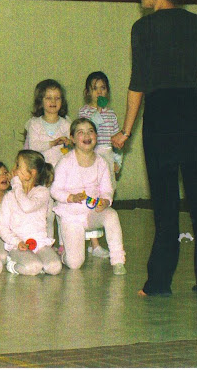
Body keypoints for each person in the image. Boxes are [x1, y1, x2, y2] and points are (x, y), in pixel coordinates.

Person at [112, 0, 197, 296]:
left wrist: (127, 130)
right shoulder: (196, 23)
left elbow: (138, 85)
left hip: (161, 118)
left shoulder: (143, 28)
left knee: (165, 207)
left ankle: (159, 283)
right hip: (192, 114)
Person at [51, 118, 126, 275]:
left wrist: (106, 200)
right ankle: (63, 253)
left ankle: (118, 260)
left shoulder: (101, 162)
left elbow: (107, 189)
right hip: (71, 216)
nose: (86, 135)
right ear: (72, 138)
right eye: (80, 132)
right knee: (75, 264)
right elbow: (55, 191)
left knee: (111, 215)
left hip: (92, 213)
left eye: (90, 131)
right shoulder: (65, 162)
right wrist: (71, 198)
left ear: (96, 137)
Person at [78, 71, 122, 258]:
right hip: (91, 156)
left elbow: (117, 140)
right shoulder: (85, 112)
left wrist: (117, 160)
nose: (99, 92)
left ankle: (103, 239)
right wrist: (96, 112)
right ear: (88, 92)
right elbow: (85, 133)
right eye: (95, 88)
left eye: (103, 88)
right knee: (91, 197)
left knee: (105, 196)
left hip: (107, 155)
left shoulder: (111, 114)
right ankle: (93, 243)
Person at [0, 150, 62, 276]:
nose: (13, 170)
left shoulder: (42, 193)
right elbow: (1, 226)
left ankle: (36, 262)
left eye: (18, 166)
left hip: (39, 243)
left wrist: (16, 184)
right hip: (18, 244)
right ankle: (13, 265)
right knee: (33, 267)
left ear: (30, 174)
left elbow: (27, 206)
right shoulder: (10, 196)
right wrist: (16, 242)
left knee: (54, 267)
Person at [23, 79, 72, 244]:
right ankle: (47, 243)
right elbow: (34, 146)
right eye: (48, 98)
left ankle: (64, 245)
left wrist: (69, 142)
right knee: (47, 212)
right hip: (42, 176)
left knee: (63, 211)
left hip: (62, 176)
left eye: (57, 98)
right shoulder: (34, 124)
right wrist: (53, 142)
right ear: (40, 101)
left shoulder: (66, 124)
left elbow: (73, 148)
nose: (53, 102)